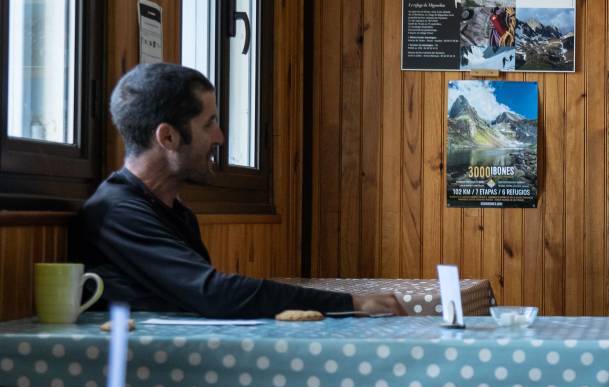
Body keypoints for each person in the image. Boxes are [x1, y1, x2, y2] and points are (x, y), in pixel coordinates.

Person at [71, 64, 408, 318]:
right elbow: (213, 293)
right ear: (168, 138)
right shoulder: (117, 212)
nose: (219, 137)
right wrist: (352, 302)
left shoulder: (174, 211)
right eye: (209, 124)